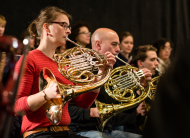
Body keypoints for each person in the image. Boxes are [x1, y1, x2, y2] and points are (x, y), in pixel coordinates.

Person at [13, 6, 115, 138]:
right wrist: (46, 94)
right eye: (63, 25)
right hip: (39, 133)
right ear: (47, 28)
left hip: (65, 132)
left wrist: (101, 74)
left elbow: (82, 103)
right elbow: (16, 107)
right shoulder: (29, 59)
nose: (68, 31)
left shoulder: (63, 63)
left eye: (69, 27)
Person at [69, 28, 152, 138]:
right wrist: (92, 112)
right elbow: (68, 110)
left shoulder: (113, 72)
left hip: (107, 130)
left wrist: (139, 87)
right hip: (82, 130)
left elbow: (122, 109)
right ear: (98, 45)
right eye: (114, 44)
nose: (118, 49)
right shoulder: (77, 69)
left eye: (118, 45)